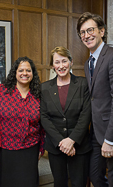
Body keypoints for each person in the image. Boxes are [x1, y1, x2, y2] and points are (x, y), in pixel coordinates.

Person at [76, 12, 113, 187]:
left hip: (111, 132)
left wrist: (110, 139)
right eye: (82, 32)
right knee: (95, 175)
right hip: (95, 132)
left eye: (90, 30)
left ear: (102, 31)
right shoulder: (88, 62)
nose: (86, 35)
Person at [40, 46, 92, 187]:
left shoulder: (82, 84)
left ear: (71, 62)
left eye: (64, 61)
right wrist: (61, 142)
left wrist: (72, 140)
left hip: (79, 146)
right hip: (56, 147)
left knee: (79, 183)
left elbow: (86, 115)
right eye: (57, 62)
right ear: (52, 65)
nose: (61, 66)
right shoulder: (44, 88)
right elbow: (44, 117)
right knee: (59, 183)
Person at [0, 56, 45, 187]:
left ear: (32, 73)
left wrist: (41, 147)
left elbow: (43, 124)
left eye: (28, 70)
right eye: (21, 70)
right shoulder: (1, 91)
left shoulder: (39, 94)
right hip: (6, 150)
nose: (24, 73)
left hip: (30, 149)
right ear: (15, 73)